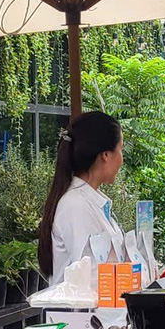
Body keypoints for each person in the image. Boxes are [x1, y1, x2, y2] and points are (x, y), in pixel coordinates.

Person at [37, 111, 127, 280]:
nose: (122, 159)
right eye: (121, 149)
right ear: (106, 155)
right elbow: (92, 275)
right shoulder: (76, 206)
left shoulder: (89, 202)